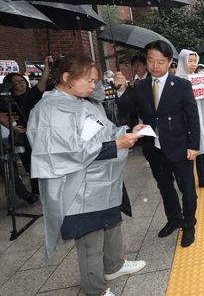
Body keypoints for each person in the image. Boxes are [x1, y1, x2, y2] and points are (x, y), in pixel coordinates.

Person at [26, 54, 146, 296]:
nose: (94, 86)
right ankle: (96, 289)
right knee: (91, 238)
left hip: (101, 180)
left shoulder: (82, 103)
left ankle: (114, 265)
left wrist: (127, 132)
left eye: (96, 81)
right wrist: (115, 145)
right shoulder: (48, 109)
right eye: (89, 80)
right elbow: (60, 153)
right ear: (67, 77)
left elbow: (107, 131)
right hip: (76, 188)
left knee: (111, 223)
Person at [115, 40, 200, 248]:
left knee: (187, 188)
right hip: (154, 149)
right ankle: (174, 219)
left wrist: (193, 145)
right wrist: (120, 90)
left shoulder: (181, 85)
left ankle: (189, 224)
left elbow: (192, 117)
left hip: (180, 147)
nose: (155, 65)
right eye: (151, 60)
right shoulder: (141, 86)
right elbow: (126, 108)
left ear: (169, 62)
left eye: (160, 61)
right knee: (165, 188)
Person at [3, 55, 52, 196]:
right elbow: (1, 116)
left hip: (39, 133)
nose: (19, 84)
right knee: (30, 164)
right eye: (15, 83)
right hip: (23, 136)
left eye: (21, 81)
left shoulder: (32, 94)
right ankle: (37, 191)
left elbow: (43, 81)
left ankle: (46, 189)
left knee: (43, 161)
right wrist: (12, 127)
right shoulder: (7, 100)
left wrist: (46, 65)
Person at [176, 49, 204, 189]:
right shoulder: (177, 81)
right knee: (188, 153)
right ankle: (186, 183)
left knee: (202, 148)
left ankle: (203, 178)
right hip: (184, 123)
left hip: (200, 118)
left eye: (195, 61)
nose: (193, 64)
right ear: (182, 61)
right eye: (190, 60)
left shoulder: (199, 79)